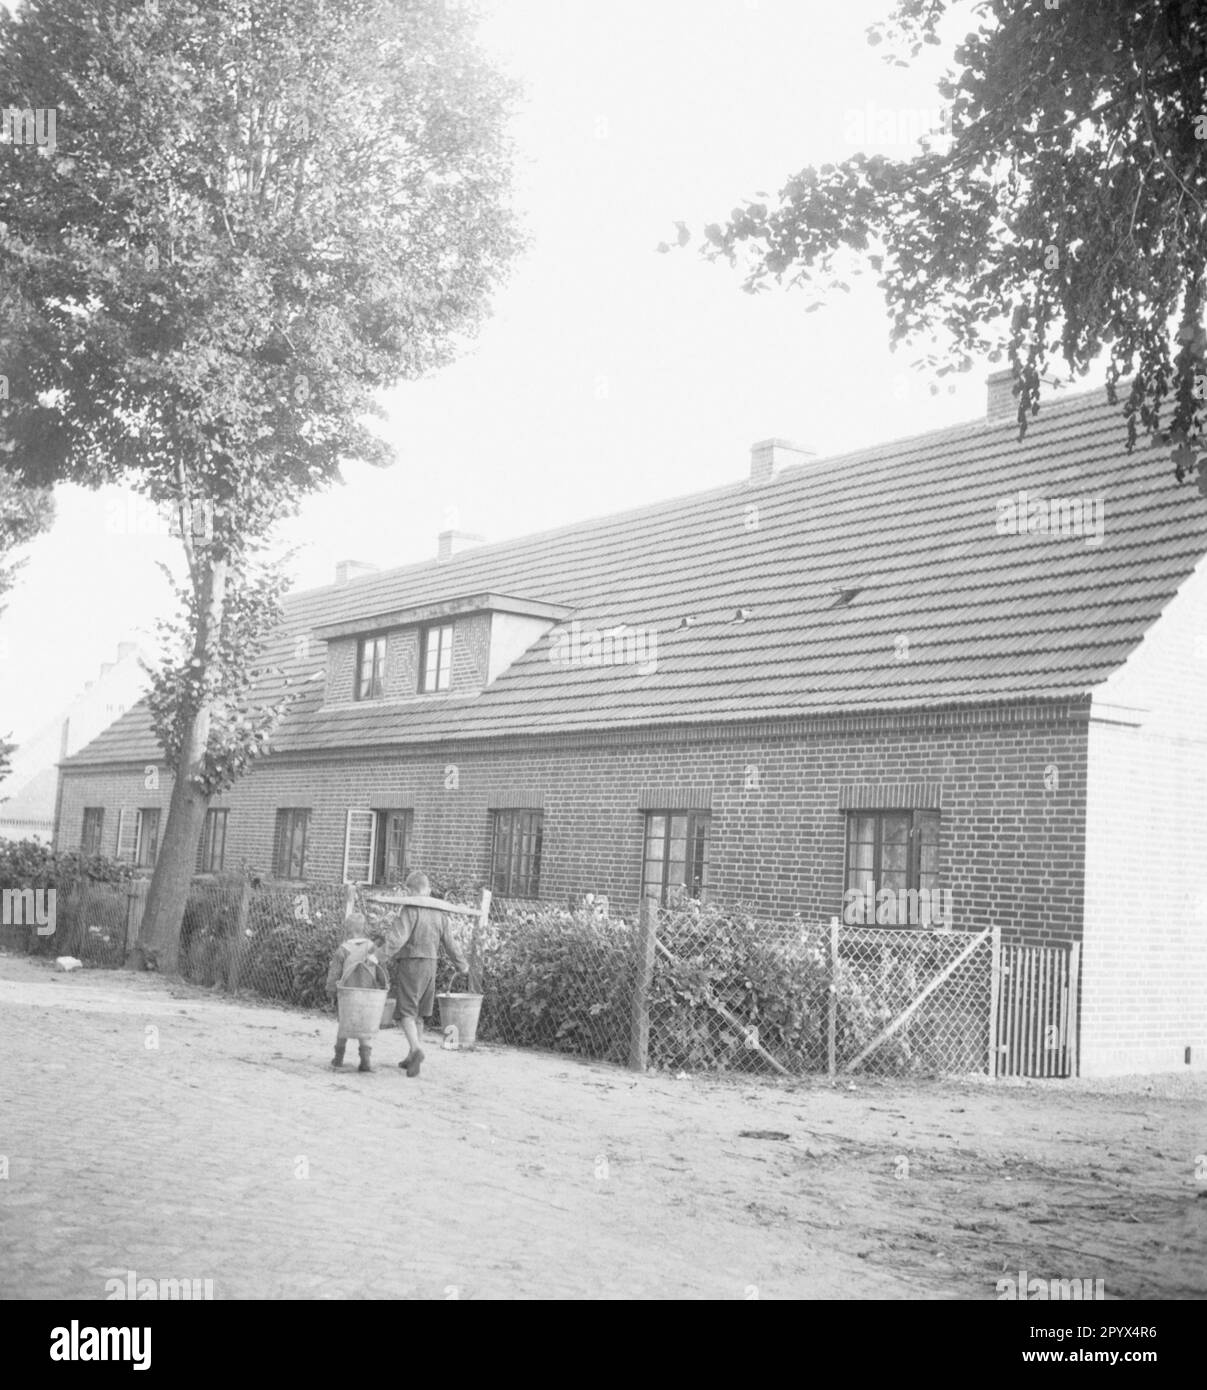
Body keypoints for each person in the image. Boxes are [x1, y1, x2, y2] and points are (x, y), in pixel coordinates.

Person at [376, 870, 470, 1078]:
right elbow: (451, 944)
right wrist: (462, 965)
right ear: (427, 889)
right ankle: (411, 1055)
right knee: (419, 1013)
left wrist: (378, 956)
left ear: (410, 891)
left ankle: (417, 1050)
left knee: (406, 1012)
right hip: (431, 964)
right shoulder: (439, 913)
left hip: (412, 963)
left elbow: (397, 939)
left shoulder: (410, 910)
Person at [325, 912, 389, 1073]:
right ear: (364, 929)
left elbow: (334, 974)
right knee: (365, 1027)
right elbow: (382, 970)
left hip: (348, 994)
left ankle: (338, 1059)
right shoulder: (372, 948)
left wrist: (331, 991)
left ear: (347, 930)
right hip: (369, 994)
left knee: (344, 1025)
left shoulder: (343, 950)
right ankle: (365, 1061)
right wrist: (384, 984)